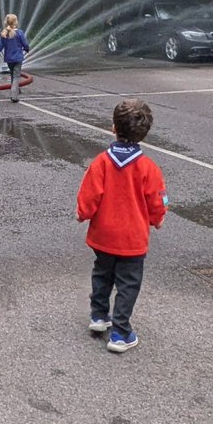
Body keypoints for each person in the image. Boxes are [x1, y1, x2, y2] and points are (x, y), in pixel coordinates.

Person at [76, 99, 167, 353]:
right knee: (128, 283)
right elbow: (157, 199)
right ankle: (120, 331)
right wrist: (157, 217)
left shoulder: (101, 162)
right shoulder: (149, 168)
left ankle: (98, 316)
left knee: (102, 273)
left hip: (103, 235)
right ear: (145, 133)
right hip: (133, 239)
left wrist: (83, 213)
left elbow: (89, 195)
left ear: (113, 127)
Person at [0, 13, 31, 102]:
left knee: (13, 75)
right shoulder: (19, 33)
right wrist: (27, 49)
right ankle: (14, 95)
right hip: (18, 58)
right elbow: (25, 44)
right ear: (15, 22)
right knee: (16, 76)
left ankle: (15, 90)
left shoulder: (4, 34)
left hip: (9, 59)